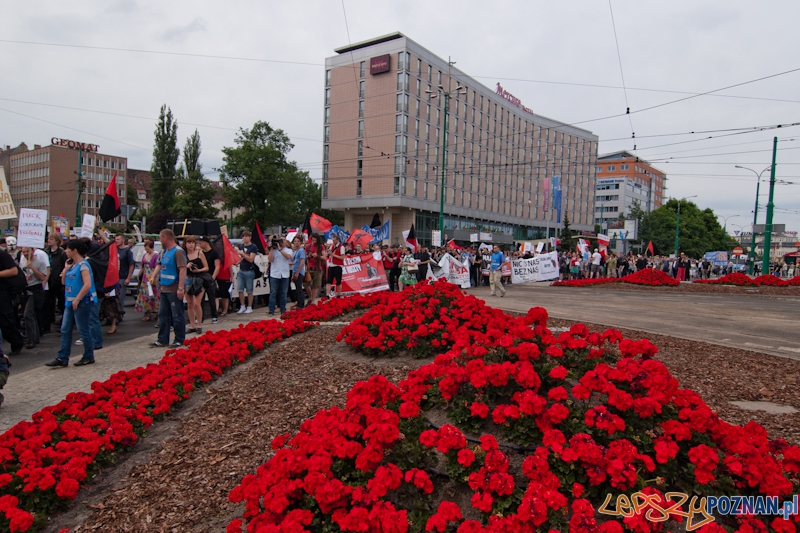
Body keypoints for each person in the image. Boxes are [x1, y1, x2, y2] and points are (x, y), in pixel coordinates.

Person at [45, 239, 97, 367]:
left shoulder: (83, 265)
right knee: (65, 330)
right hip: (70, 302)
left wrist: (78, 298)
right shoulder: (72, 265)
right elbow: (63, 282)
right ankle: (62, 357)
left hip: (82, 302)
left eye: (68, 249)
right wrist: (66, 270)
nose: (66, 251)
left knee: (83, 329)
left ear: (75, 250)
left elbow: (87, 284)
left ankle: (88, 355)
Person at [150, 229, 187, 348]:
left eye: (160, 238)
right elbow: (161, 266)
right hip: (165, 287)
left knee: (177, 315)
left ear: (166, 238)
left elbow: (182, 270)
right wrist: (154, 277)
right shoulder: (166, 251)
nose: (160, 240)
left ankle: (179, 339)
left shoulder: (178, 252)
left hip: (174, 287)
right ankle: (162, 339)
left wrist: (181, 288)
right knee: (163, 314)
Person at [19, 247, 49, 349]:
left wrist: (33, 268)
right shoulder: (23, 263)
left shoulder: (39, 263)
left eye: (27, 251)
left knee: (28, 314)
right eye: (23, 252)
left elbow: (42, 277)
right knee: (30, 315)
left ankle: (32, 339)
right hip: (25, 290)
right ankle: (34, 337)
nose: (25, 254)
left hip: (35, 291)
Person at [183, 236, 209, 334]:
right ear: (185, 244)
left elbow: (206, 267)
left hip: (199, 279)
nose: (191, 245)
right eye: (189, 243)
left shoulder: (199, 253)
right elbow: (180, 268)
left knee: (197, 303)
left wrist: (198, 270)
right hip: (188, 279)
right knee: (189, 304)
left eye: (193, 243)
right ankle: (192, 325)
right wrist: (187, 266)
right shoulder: (183, 255)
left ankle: (199, 325)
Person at [44, 233, 67, 332]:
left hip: (58, 281)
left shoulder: (62, 253)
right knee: (48, 302)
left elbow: (64, 266)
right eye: (48, 239)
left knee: (61, 301)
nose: (49, 240)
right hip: (48, 281)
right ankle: (49, 320)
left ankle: (64, 320)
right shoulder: (45, 252)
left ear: (57, 241)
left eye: (51, 239)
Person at [135, 238, 160, 322]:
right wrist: (139, 275)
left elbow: (157, 266)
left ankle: (157, 312)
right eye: (146, 249)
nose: (147, 251)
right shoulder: (144, 255)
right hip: (145, 276)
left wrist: (153, 276)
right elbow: (142, 267)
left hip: (153, 275)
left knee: (155, 294)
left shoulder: (156, 255)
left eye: (148, 249)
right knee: (145, 295)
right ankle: (147, 313)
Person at [267, 237, 292, 315]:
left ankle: (283, 309)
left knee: (283, 293)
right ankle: (271, 310)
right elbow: (270, 260)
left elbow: (288, 257)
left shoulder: (289, 250)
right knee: (273, 292)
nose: (282, 242)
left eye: (283, 240)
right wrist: (271, 248)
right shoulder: (273, 251)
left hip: (284, 274)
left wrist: (280, 249)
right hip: (275, 273)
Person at [199, 237, 220, 324]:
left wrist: (213, 278)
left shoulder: (214, 253)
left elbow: (217, 266)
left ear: (206, 243)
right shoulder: (200, 253)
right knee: (201, 299)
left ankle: (214, 315)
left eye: (201, 243)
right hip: (202, 277)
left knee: (212, 298)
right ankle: (201, 317)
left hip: (210, 277)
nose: (199, 244)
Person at [235, 231, 258, 314]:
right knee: (240, 289)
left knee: (249, 290)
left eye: (246, 236)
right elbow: (241, 258)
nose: (244, 238)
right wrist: (236, 261)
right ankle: (242, 305)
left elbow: (251, 259)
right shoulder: (241, 246)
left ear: (250, 237)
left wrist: (242, 253)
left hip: (249, 270)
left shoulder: (253, 247)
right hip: (241, 269)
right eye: (243, 236)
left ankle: (249, 306)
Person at [115, 234, 134, 318]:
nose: (116, 241)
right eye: (115, 239)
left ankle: (120, 315)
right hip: (114, 277)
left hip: (122, 277)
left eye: (118, 239)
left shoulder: (127, 251)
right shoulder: (114, 250)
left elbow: (131, 265)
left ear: (123, 240)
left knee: (120, 297)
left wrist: (128, 277)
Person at [305, 233, 326, 304]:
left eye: (315, 240)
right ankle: (310, 297)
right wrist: (309, 256)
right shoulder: (308, 246)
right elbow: (305, 256)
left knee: (315, 285)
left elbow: (324, 257)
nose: (313, 241)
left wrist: (317, 256)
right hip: (309, 268)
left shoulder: (321, 246)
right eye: (312, 239)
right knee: (306, 284)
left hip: (317, 268)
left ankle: (313, 300)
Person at [290, 236, 306, 310]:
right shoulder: (295, 251)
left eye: (298, 241)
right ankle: (299, 303)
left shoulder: (301, 251)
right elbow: (295, 261)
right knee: (297, 288)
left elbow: (302, 262)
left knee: (299, 288)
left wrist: (297, 272)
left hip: (299, 271)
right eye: (295, 241)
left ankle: (301, 304)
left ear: (300, 242)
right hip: (294, 270)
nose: (296, 243)